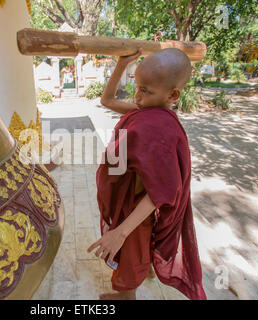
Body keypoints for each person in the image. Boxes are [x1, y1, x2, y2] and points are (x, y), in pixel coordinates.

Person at [87, 48, 207, 300]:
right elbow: (107, 101)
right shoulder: (145, 110)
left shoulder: (159, 128)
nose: (137, 96)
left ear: (173, 94)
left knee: (131, 252)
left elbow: (162, 191)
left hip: (136, 210)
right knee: (139, 247)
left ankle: (126, 295)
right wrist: (121, 65)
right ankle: (148, 267)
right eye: (137, 86)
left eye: (145, 90)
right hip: (129, 199)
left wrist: (119, 233)